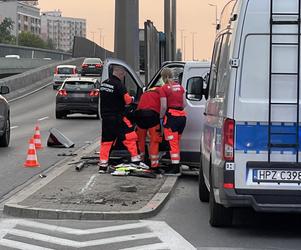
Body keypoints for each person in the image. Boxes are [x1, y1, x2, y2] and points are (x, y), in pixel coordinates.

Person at [98, 65, 141, 173]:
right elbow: (127, 100)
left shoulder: (104, 84)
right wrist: (132, 99)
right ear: (120, 73)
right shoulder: (119, 85)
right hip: (118, 117)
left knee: (106, 141)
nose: (123, 76)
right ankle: (135, 160)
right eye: (123, 74)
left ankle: (103, 166)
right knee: (130, 136)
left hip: (106, 118)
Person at [160, 68, 187, 175]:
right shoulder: (180, 87)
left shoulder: (164, 88)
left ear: (163, 77)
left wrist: (161, 117)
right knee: (176, 143)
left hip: (171, 118)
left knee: (173, 144)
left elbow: (163, 106)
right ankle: (176, 163)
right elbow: (184, 104)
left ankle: (175, 167)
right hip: (182, 117)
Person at [135, 85, 165, 170]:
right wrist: (161, 117)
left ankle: (141, 160)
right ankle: (154, 164)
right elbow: (163, 106)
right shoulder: (161, 91)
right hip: (152, 115)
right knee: (154, 140)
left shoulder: (146, 92)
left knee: (140, 139)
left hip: (140, 115)